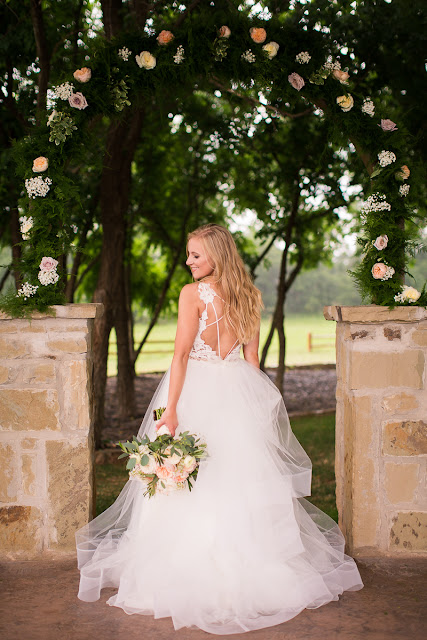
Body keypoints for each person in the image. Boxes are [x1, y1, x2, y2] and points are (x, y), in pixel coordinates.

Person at [76, 223, 363, 634]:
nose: (188, 262)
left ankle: (189, 571)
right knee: (237, 479)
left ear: (216, 255)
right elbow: (252, 363)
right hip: (237, 393)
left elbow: (179, 356)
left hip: (197, 391)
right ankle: (252, 568)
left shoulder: (192, 295)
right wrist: (252, 410)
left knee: (187, 482)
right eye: (189, 255)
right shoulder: (250, 296)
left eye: (195, 255)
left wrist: (170, 411)